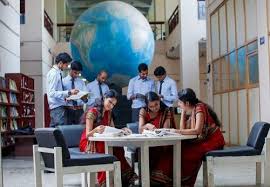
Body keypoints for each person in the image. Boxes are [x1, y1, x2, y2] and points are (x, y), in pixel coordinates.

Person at [79, 89, 137, 186]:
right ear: (104, 98)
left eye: (113, 104)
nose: (111, 106)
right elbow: (88, 134)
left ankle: (123, 178)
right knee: (103, 147)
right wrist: (96, 129)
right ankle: (105, 181)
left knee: (118, 148)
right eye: (110, 102)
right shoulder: (92, 112)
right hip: (89, 140)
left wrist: (121, 130)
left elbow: (112, 129)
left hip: (103, 140)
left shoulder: (109, 113)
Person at [173, 88, 225, 186]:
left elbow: (197, 130)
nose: (178, 104)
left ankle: (185, 182)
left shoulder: (199, 108)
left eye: (180, 102)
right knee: (182, 148)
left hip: (213, 140)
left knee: (187, 153)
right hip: (206, 140)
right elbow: (182, 129)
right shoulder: (192, 109)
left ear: (187, 103)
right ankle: (180, 180)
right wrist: (183, 113)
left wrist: (177, 131)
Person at [139, 91, 175, 186]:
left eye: (156, 104)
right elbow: (140, 129)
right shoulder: (143, 111)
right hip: (148, 143)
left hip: (163, 143)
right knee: (145, 151)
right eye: (151, 106)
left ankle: (158, 179)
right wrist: (147, 125)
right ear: (147, 106)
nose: (154, 108)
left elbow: (166, 129)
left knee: (166, 152)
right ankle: (147, 179)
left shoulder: (166, 110)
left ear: (159, 101)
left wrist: (157, 131)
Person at [46, 52, 79, 127]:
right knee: (60, 133)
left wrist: (65, 97)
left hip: (57, 107)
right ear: (60, 63)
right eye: (66, 65)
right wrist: (69, 92)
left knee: (55, 133)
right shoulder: (54, 74)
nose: (67, 67)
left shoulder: (56, 73)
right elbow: (52, 93)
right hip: (57, 108)